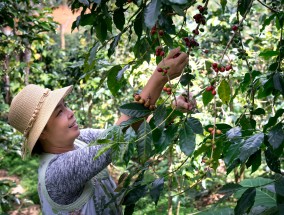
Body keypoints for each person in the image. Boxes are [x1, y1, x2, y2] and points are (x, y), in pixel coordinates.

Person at [8, 47, 196, 214]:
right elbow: (113, 141)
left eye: (65, 106)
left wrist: (172, 107)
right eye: (59, 113)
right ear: (42, 133)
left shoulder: (80, 140)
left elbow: (125, 131)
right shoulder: (57, 173)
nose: (70, 113)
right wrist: (160, 76)